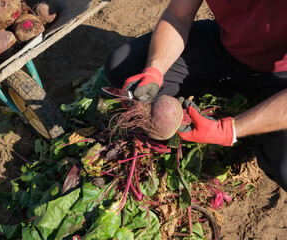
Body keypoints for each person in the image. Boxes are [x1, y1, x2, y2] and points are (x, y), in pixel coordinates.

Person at [104, 0, 287, 191]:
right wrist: (155, 69)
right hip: (225, 49)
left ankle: (262, 121)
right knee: (123, 68)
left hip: (280, 77)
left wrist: (230, 130)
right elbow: (177, 16)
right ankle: (236, 94)